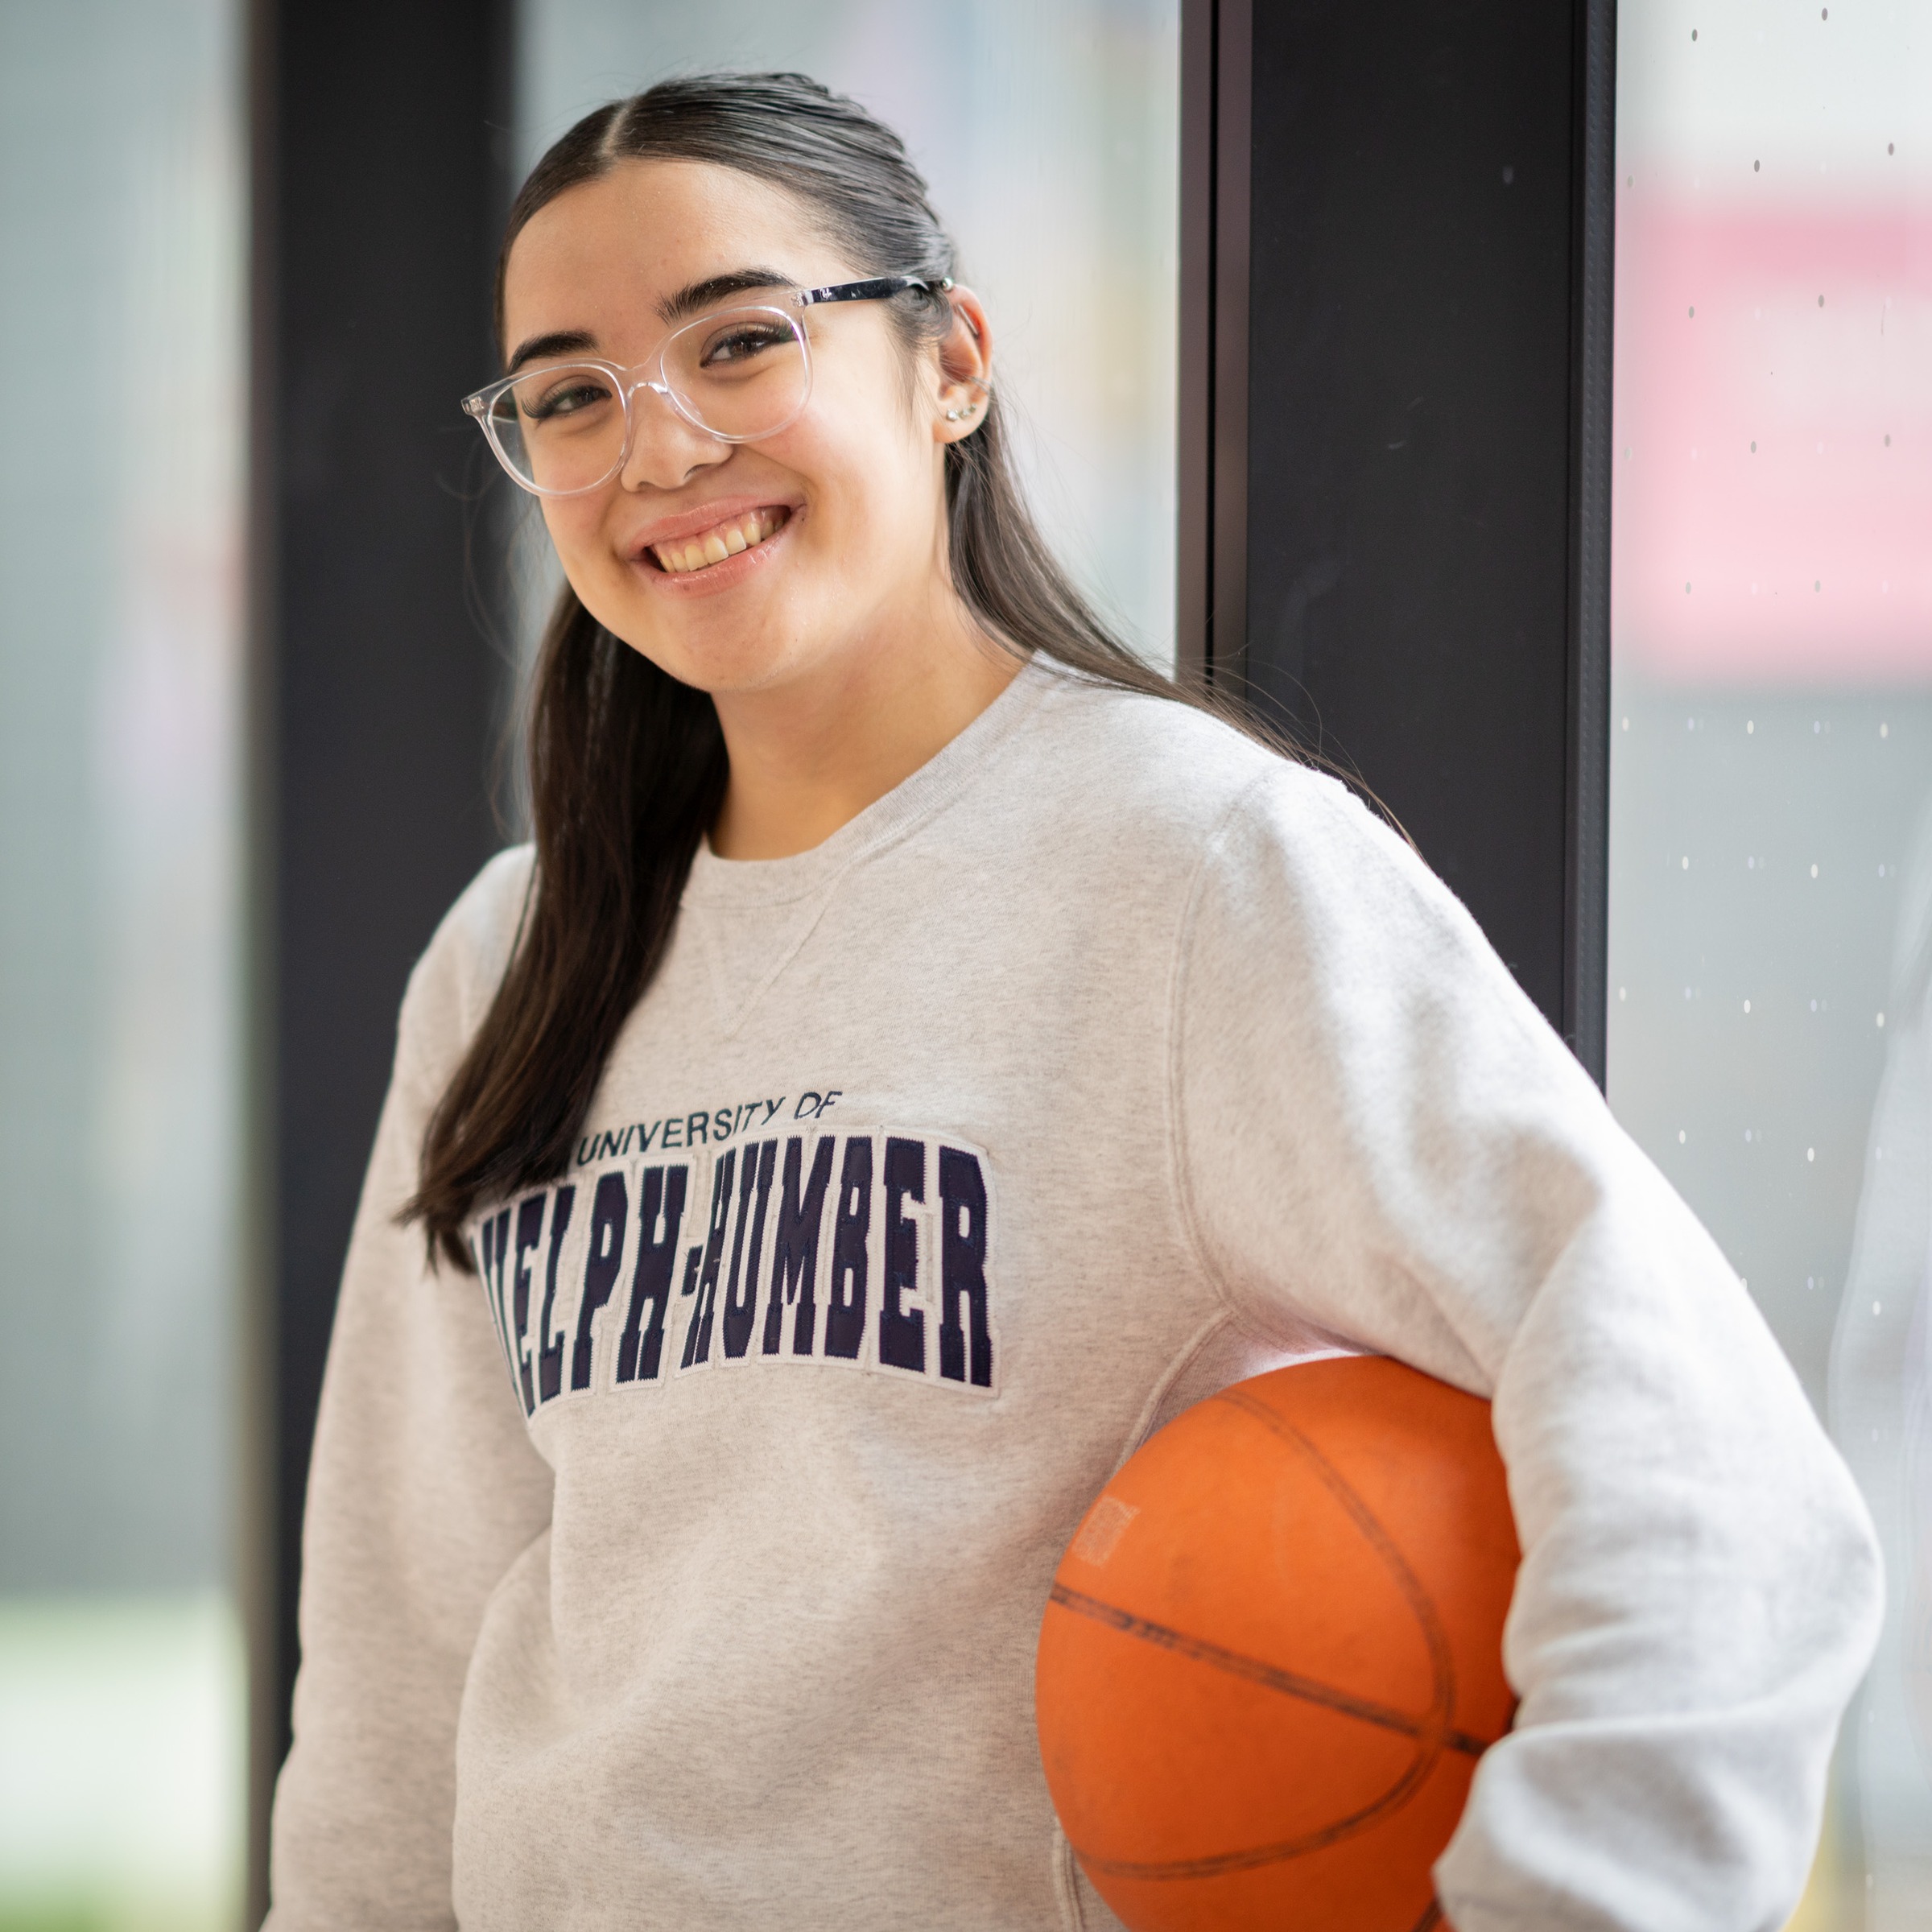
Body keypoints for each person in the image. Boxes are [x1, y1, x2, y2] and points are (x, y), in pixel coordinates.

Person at [265, 72, 1881, 1932]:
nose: (661, 446)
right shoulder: (510, 955)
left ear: (949, 362)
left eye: (741, 340)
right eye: (570, 394)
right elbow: (396, 1673)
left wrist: (1575, 1896)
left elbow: (1704, 1453)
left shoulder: (1198, 870)